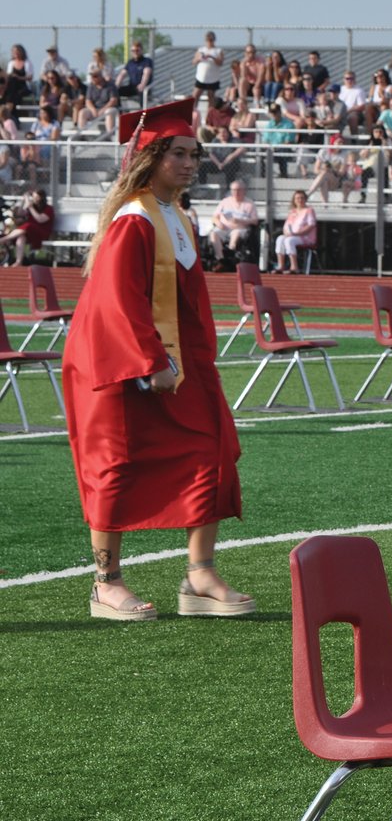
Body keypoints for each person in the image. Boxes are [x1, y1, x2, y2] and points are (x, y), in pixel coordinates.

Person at [62, 99, 253, 622]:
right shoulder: (134, 219)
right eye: (177, 154)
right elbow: (115, 299)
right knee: (115, 464)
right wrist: (149, 359)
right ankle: (106, 583)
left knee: (210, 450)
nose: (190, 163)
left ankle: (199, 574)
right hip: (119, 361)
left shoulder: (178, 216)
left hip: (179, 358)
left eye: (195, 154)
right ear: (150, 157)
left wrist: (192, 361)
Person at [209, 179, 258, 269]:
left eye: (239, 190)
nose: (236, 192)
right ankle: (220, 259)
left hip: (240, 228)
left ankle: (231, 256)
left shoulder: (249, 204)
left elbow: (255, 221)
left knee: (236, 233)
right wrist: (218, 223)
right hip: (224, 227)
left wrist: (240, 221)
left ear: (244, 191)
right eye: (234, 190)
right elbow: (214, 217)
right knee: (214, 233)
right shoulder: (224, 202)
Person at [0, 188, 54, 265]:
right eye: (33, 197)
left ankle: (3, 239)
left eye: (36, 197)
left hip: (42, 233)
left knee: (28, 226)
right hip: (30, 233)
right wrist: (24, 200)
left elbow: (40, 219)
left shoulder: (49, 209)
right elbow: (19, 213)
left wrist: (30, 207)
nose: (35, 200)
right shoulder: (32, 207)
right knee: (21, 237)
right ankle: (18, 262)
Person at [274, 189, 317, 273]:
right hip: (292, 235)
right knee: (280, 239)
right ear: (294, 200)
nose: (300, 200)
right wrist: (286, 232)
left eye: (302, 198)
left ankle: (294, 267)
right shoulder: (292, 211)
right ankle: (281, 266)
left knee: (289, 241)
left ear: (305, 199)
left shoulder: (309, 211)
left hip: (305, 237)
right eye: (297, 198)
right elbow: (286, 225)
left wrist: (297, 233)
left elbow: (311, 225)